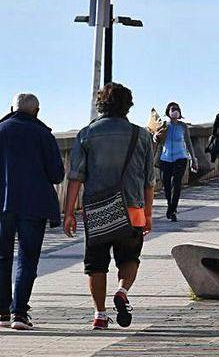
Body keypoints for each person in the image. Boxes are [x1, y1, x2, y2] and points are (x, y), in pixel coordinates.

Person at [63, 83, 156, 331]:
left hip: (98, 211)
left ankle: (100, 314)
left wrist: (69, 212)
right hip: (132, 209)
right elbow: (149, 181)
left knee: (96, 264)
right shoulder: (142, 135)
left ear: (101, 104)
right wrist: (148, 214)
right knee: (129, 258)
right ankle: (122, 290)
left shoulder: (86, 134)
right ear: (128, 105)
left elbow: (75, 178)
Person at [0, 94, 64, 331]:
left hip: (3, 204)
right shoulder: (43, 135)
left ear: (11, 109)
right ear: (37, 111)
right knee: (27, 258)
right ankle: (19, 313)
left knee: (2, 257)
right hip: (34, 205)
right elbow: (57, 175)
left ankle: (2, 312)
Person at [152, 102, 197, 222]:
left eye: (177, 109)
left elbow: (188, 143)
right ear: (168, 112)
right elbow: (156, 138)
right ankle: (170, 205)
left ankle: (172, 209)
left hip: (181, 158)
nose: (175, 111)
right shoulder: (164, 125)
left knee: (176, 184)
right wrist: (156, 136)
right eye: (173, 109)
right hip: (165, 158)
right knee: (166, 186)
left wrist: (193, 158)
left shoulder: (183, 126)